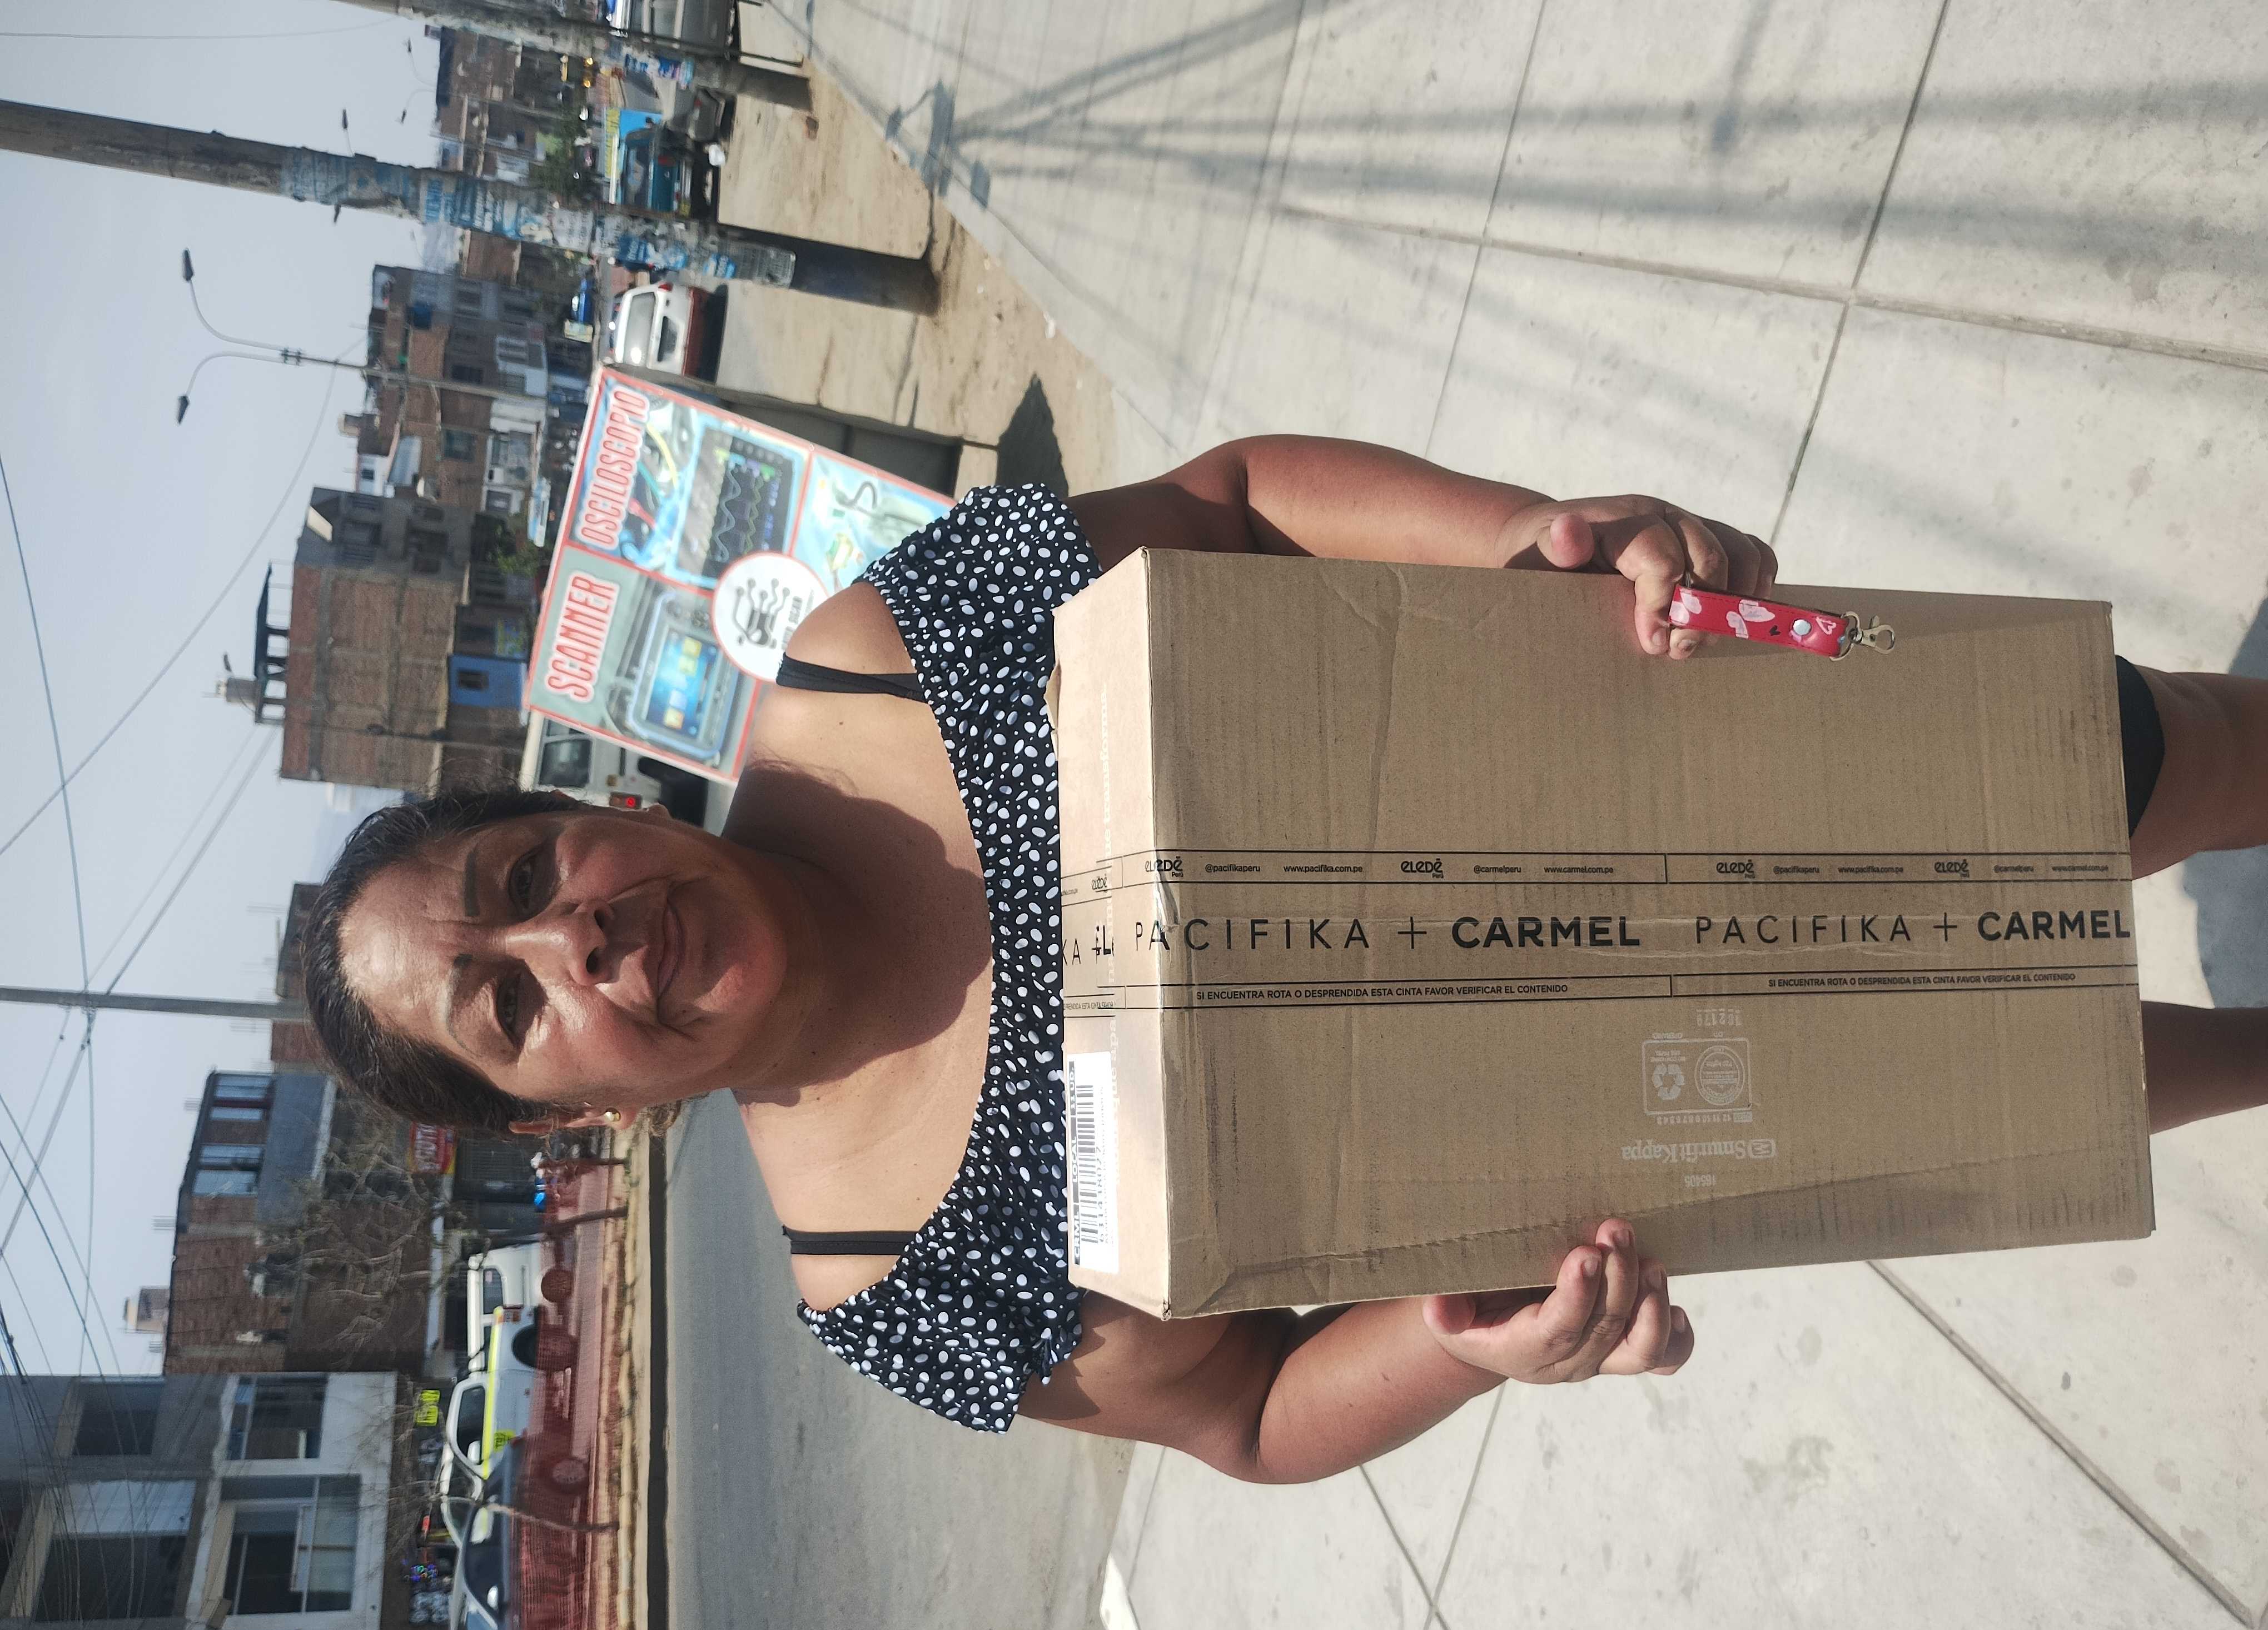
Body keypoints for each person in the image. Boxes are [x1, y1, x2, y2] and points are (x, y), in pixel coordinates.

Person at [300, 437, 2268, 1481]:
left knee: (2142, 760)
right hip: (1743, 1094)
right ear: (547, 1118)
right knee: (2054, 1081)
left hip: (1698, 741)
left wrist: (1534, 544)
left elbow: (1226, 509)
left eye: (526, 870)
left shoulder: (868, 665)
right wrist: (1466, 1346)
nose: (578, 934)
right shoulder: (892, 1280)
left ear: (576, 807)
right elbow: (1241, 1412)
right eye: (512, 1000)